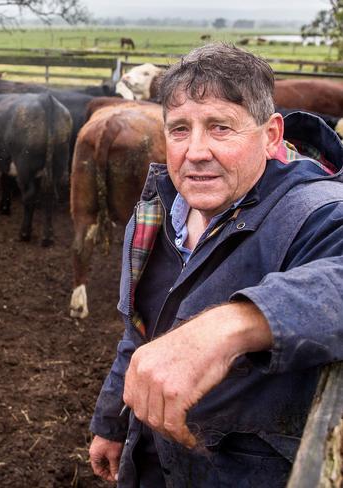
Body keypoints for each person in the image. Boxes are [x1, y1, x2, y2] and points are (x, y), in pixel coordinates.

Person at [88, 43, 343, 487]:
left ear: (270, 135)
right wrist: (111, 423)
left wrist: (237, 323)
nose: (196, 151)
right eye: (180, 129)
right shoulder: (157, 211)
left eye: (221, 127)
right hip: (152, 462)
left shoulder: (317, 211)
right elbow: (139, 330)